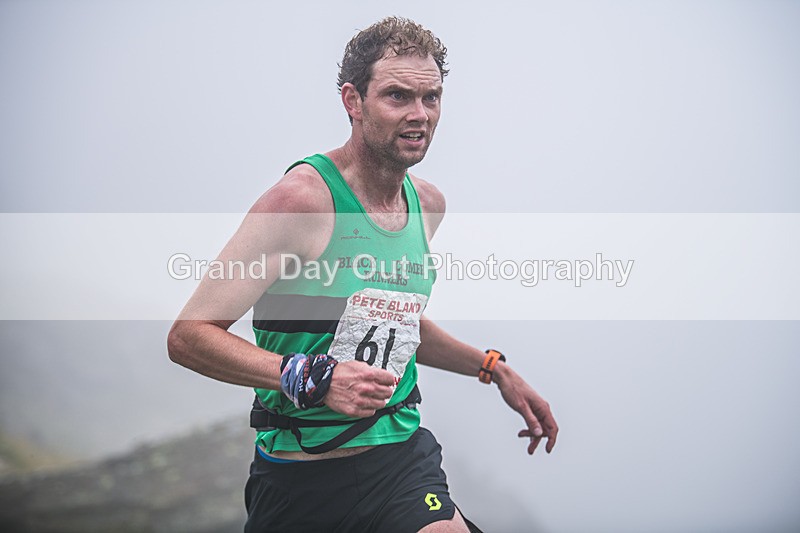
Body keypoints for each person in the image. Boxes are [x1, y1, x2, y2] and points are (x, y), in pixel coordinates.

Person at [168, 16, 558, 533]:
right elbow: (189, 337)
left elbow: (397, 322)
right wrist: (310, 377)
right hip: (298, 477)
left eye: (432, 98)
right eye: (398, 96)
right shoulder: (301, 202)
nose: (420, 115)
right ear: (353, 100)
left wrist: (492, 367)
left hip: (399, 460)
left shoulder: (428, 205)